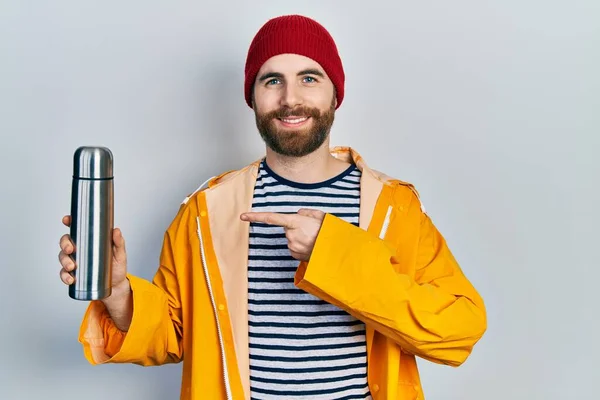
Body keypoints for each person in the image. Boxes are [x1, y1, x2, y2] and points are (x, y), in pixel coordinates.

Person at [58, 14, 486, 400]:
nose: (290, 98)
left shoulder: (394, 207)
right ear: (253, 97)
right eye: (272, 80)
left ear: (336, 94)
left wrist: (333, 254)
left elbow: (457, 330)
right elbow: (174, 336)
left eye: (309, 78)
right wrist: (117, 294)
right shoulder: (207, 210)